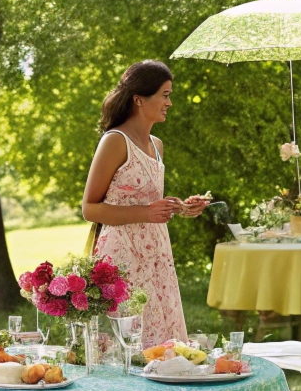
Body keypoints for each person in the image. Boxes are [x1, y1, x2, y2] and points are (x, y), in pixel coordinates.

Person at [82, 61, 209, 347]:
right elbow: (89, 208)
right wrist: (147, 212)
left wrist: (182, 207)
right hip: (124, 254)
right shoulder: (115, 141)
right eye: (164, 95)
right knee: (134, 342)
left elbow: (150, 202)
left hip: (157, 253)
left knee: (166, 339)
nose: (170, 103)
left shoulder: (157, 144)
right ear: (139, 99)